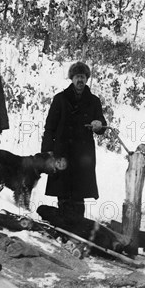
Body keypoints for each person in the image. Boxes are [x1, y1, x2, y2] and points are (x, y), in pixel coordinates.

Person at [41, 61, 107, 218]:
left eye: (83, 77)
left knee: (80, 191)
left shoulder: (94, 101)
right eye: (77, 77)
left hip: (83, 153)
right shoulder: (60, 99)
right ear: (72, 78)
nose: (80, 80)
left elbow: (102, 125)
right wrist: (47, 151)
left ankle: (78, 224)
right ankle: (62, 223)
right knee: (62, 189)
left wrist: (99, 125)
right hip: (62, 150)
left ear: (87, 79)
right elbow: (49, 127)